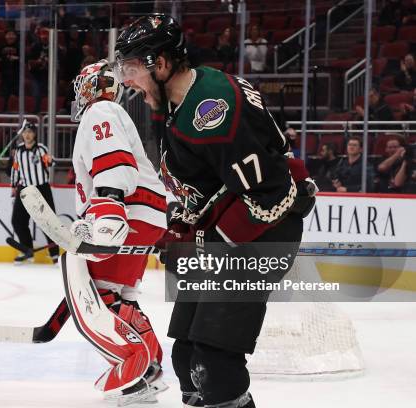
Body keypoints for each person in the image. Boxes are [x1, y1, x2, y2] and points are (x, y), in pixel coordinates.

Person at [115, 14, 315, 408]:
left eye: (132, 67)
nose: (125, 79)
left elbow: (270, 193)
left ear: (163, 63)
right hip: (236, 228)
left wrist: (203, 242)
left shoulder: (212, 110)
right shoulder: (181, 100)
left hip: (265, 232)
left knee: (213, 361)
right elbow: (210, 188)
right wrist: (182, 227)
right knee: (187, 358)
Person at [69, 59, 169, 404]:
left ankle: (133, 371)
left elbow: (114, 163)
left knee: (98, 300)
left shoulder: (100, 112)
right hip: (145, 216)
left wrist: (109, 212)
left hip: (126, 214)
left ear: (92, 87)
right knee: (122, 297)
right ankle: (151, 369)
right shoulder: (111, 113)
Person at [9, 122, 59, 263]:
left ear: (34, 134)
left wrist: (50, 160)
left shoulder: (41, 149)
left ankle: (54, 254)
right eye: (25, 132)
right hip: (24, 189)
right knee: (18, 221)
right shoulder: (18, 150)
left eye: (30, 132)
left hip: (41, 188)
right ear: (22, 134)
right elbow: (15, 169)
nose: (27, 134)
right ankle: (27, 251)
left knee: (49, 222)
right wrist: (13, 186)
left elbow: (51, 163)